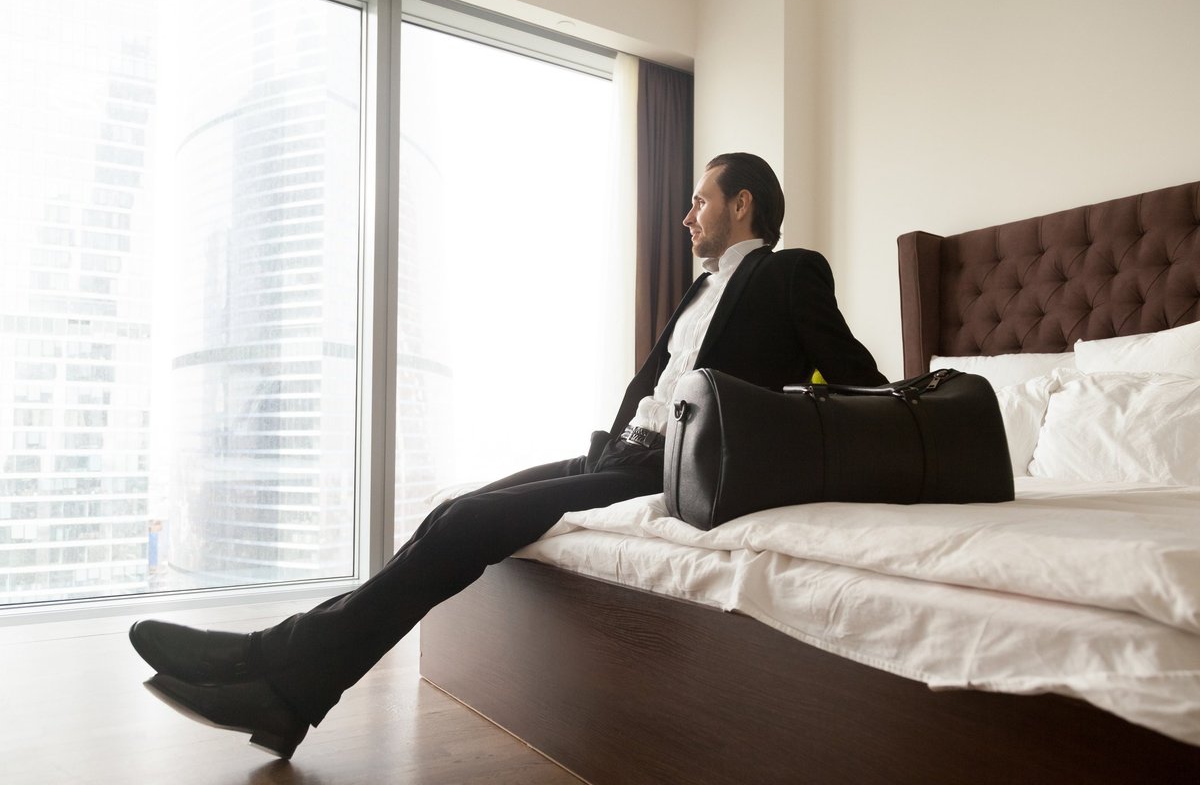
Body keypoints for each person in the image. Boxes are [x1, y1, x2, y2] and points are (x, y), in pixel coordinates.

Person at [130, 152, 886, 759]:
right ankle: (283, 685)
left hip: (668, 470)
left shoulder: (789, 275)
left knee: (467, 529)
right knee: (454, 509)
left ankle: (271, 668)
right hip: (620, 453)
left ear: (743, 203)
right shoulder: (698, 293)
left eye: (701, 201)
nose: (687, 215)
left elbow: (861, 384)